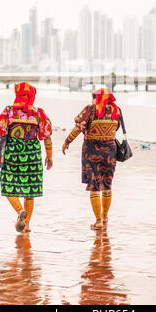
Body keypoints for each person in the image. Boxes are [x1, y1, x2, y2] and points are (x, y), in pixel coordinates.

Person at [0, 82, 53, 233]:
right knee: (30, 192)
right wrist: (49, 156)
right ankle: (26, 225)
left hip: (13, 155)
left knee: (8, 186)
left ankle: (20, 211)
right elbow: (47, 136)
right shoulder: (39, 113)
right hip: (32, 156)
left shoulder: (9, 111)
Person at [62, 88, 121, 230]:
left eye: (93, 97)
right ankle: (105, 216)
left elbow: (78, 127)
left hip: (91, 150)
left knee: (94, 186)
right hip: (110, 150)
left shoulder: (90, 109)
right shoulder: (116, 110)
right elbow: (117, 127)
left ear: (96, 98)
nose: (92, 100)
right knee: (107, 184)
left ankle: (98, 221)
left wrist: (67, 141)